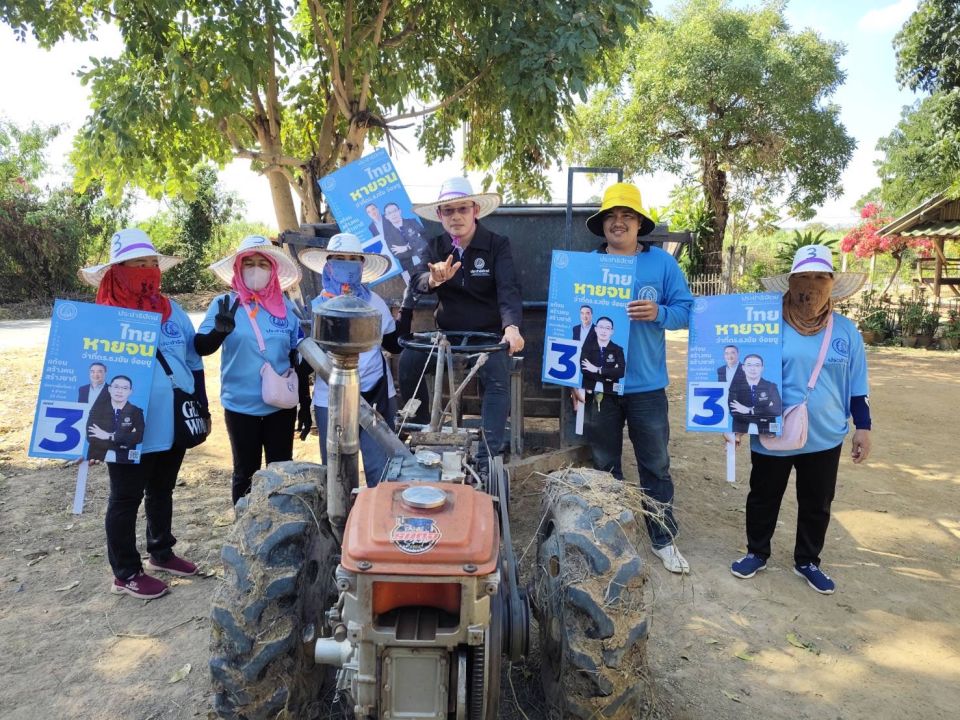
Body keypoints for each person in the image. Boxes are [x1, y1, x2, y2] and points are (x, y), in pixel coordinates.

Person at [730, 245, 871, 594]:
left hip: (824, 435)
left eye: (820, 277)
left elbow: (857, 384)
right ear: (790, 283)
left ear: (832, 283)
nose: (811, 285)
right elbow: (741, 372)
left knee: (818, 501)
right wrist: (732, 423)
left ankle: (808, 561)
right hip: (771, 428)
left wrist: (863, 428)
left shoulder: (846, 332)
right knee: (763, 495)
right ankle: (756, 552)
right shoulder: (765, 326)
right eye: (803, 277)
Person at [79, 228, 205, 600]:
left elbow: (192, 358)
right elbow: (82, 371)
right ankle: (125, 572)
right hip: (124, 425)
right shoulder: (102, 318)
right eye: (139, 265)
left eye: (153, 264)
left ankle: (161, 551)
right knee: (125, 496)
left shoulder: (171, 310)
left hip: (171, 420)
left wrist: (201, 403)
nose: (149, 270)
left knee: (162, 488)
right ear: (118, 270)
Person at [579, 182, 694, 574]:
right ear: (603, 225)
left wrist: (659, 312)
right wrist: (575, 380)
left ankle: (663, 537)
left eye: (627, 215)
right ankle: (611, 534)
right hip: (599, 387)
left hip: (647, 386)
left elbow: (686, 311)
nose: (619, 222)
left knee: (655, 464)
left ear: (639, 223)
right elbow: (568, 325)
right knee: (604, 462)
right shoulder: (586, 266)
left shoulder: (661, 264)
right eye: (611, 216)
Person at [401, 177, 523, 470]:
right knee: (409, 360)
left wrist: (511, 327)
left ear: (475, 211)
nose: (456, 216)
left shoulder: (497, 245)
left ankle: (488, 456)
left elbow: (508, 290)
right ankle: (420, 436)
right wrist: (433, 278)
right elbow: (417, 281)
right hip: (447, 334)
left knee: (496, 373)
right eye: (448, 211)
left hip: (487, 336)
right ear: (441, 216)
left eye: (462, 209)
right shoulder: (436, 247)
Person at [197, 234, 309, 505]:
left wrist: (305, 404)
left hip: (280, 406)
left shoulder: (286, 308)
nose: (256, 269)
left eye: (263, 263)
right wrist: (218, 332)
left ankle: (278, 527)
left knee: (280, 471)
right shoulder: (224, 305)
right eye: (249, 263)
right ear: (238, 268)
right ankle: (244, 532)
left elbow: (297, 358)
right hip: (240, 405)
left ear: (273, 269)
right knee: (245, 473)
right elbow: (201, 347)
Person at [300, 233, 402, 486]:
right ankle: (341, 523)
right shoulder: (316, 308)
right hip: (331, 396)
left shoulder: (374, 303)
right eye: (340, 258)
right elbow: (305, 362)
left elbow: (392, 343)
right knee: (336, 470)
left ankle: (376, 521)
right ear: (328, 264)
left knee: (380, 466)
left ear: (361, 264)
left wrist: (405, 316)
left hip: (375, 393)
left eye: (352, 259)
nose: (347, 264)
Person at [86, 375, 145, 463]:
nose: (119, 391)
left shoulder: (136, 412)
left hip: (125, 460)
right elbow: (91, 436)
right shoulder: (97, 409)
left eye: (125, 388)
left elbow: (139, 437)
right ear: (109, 389)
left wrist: (108, 436)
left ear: (130, 391)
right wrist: (125, 437)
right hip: (96, 459)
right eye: (116, 387)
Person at [728, 354, 782, 434]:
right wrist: (765, 411)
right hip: (741, 431)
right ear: (743, 367)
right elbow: (734, 413)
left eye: (757, 365)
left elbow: (777, 410)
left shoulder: (771, 387)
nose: (753, 369)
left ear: (762, 368)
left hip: (766, 432)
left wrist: (749, 410)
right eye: (749, 365)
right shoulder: (735, 387)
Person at [579, 316, 626, 396]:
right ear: (596, 329)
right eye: (601, 327)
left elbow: (621, 372)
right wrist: (609, 376)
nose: (604, 331)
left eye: (607, 328)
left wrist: (597, 370)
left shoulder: (618, 349)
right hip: (587, 390)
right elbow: (584, 370)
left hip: (611, 392)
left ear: (612, 331)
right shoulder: (586, 347)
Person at [383, 202, 429, 277]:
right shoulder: (388, 234)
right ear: (386, 217)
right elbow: (397, 254)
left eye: (395, 211)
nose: (393, 214)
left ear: (399, 211)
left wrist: (407, 247)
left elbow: (424, 239)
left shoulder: (412, 222)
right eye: (389, 213)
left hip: (426, 259)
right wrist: (416, 242)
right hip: (410, 269)